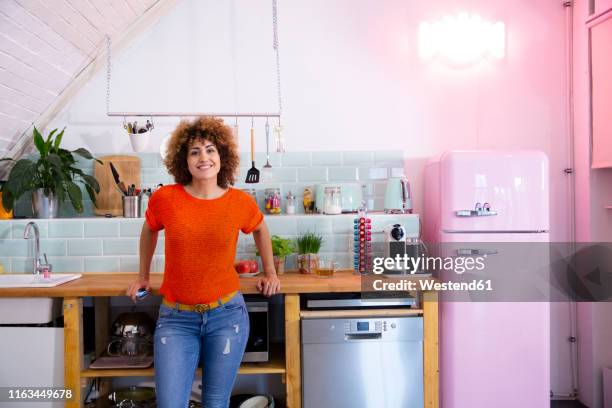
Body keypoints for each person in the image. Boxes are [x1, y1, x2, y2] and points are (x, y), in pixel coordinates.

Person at [126, 116, 281, 408]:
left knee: (215, 402)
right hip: (176, 319)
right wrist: (143, 276)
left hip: (227, 317)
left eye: (210, 149)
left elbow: (260, 228)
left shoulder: (239, 202)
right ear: (183, 159)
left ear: (222, 155)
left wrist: (270, 271)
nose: (203, 157)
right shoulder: (166, 198)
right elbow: (149, 228)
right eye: (194, 151)